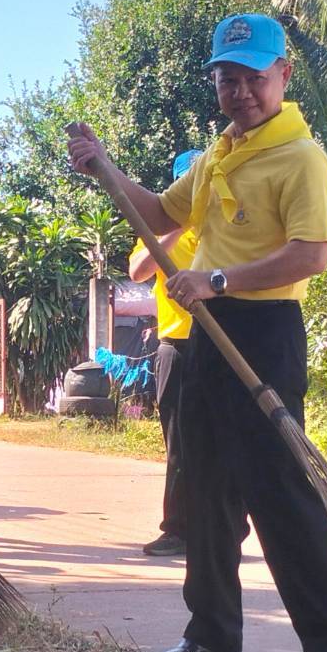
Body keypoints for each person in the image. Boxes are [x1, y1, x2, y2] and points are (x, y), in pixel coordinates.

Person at [66, 12, 327, 652]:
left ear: (282, 76)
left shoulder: (301, 157)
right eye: (227, 79)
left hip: (263, 331)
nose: (239, 92)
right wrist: (104, 166)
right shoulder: (214, 157)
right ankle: (210, 638)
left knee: (280, 494)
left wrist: (219, 279)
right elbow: (158, 213)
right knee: (202, 491)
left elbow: (310, 253)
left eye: (253, 78)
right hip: (205, 334)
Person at [127, 151, 200, 557]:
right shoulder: (156, 227)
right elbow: (138, 270)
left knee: (222, 439)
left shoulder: (221, 221)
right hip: (176, 343)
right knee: (178, 441)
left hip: (221, 339)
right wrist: (179, 224)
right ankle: (177, 528)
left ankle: (223, 527)